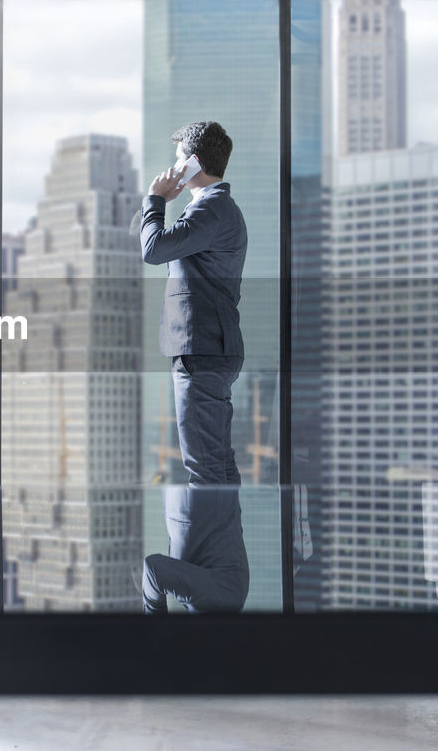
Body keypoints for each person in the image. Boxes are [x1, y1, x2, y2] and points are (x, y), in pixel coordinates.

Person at [133, 121, 249, 614]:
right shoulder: (211, 210)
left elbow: (153, 249)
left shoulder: (214, 209)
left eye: (181, 156)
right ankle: (211, 552)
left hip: (203, 350)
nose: (176, 165)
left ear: (196, 162)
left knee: (204, 464)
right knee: (214, 461)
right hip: (208, 347)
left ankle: (203, 555)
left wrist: (156, 199)